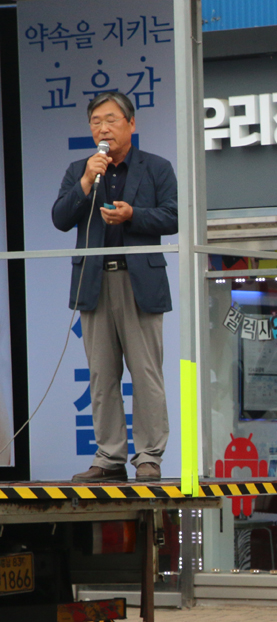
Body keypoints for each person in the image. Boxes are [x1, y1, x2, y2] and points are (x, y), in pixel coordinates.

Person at [52, 91, 178, 483]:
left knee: (145, 372)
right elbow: (59, 218)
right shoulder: (81, 170)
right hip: (94, 280)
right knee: (101, 375)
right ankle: (108, 457)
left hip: (139, 280)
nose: (102, 128)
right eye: (95, 122)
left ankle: (148, 457)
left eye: (110, 120)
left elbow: (172, 217)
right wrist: (88, 179)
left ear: (131, 124)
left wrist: (133, 215)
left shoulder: (156, 167)